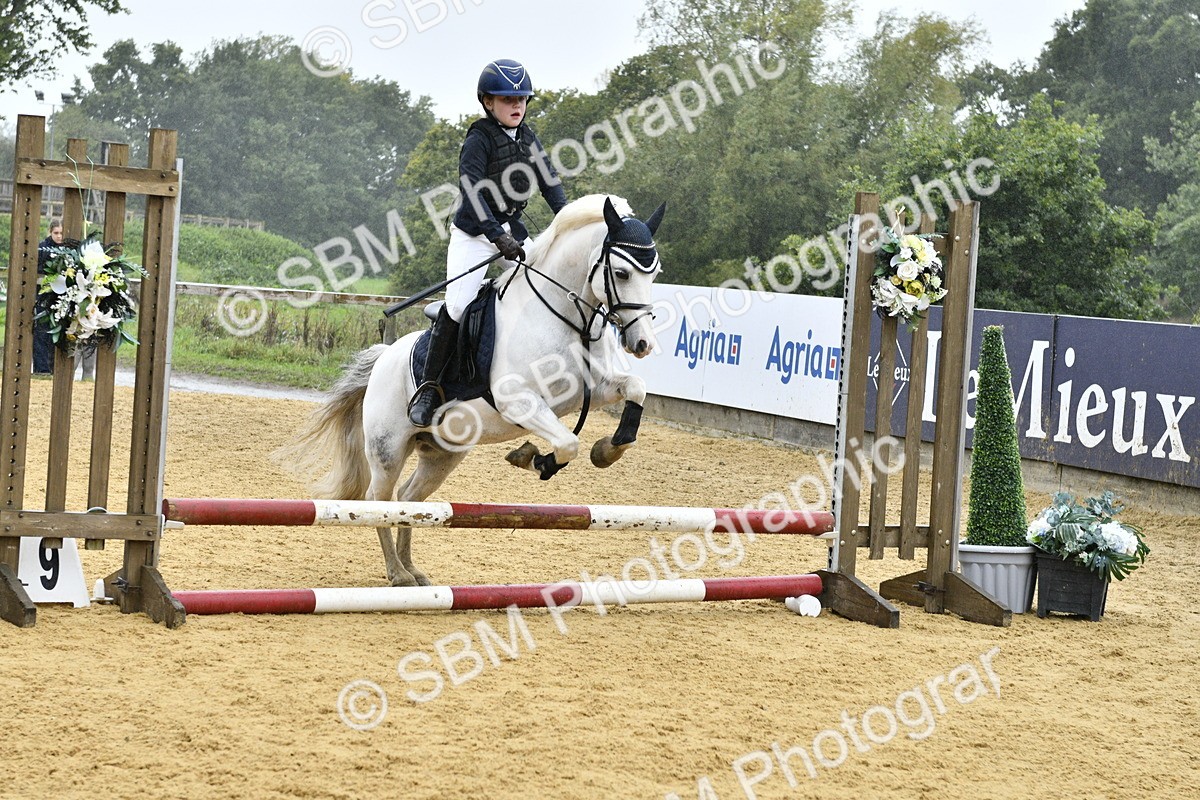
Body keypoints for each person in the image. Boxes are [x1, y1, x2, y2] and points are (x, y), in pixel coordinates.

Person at [408, 58, 569, 427]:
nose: (516, 106)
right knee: (460, 304)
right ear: (487, 102)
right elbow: (472, 189)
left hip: (510, 233)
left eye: (522, 99)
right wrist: (496, 236)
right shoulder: (478, 138)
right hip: (474, 235)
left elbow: (551, 183)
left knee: (541, 290)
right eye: (506, 99)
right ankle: (429, 388)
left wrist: (567, 221)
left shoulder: (528, 137)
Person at [33, 219, 64, 375]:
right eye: (56, 233)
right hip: (43, 296)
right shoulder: (42, 248)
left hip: (61, 298)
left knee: (57, 333)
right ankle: (41, 369)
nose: (59, 236)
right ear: (50, 232)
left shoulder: (67, 249)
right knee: (42, 331)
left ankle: (53, 369)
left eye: (61, 233)